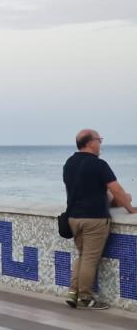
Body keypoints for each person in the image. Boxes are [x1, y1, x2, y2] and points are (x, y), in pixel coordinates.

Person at [63, 129, 136, 310]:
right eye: (99, 140)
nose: (101, 144)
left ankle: (73, 293)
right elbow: (116, 190)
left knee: (81, 255)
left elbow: (83, 190)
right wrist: (130, 208)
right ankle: (85, 298)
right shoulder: (98, 164)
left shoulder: (69, 163)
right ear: (90, 143)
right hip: (94, 219)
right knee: (90, 259)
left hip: (73, 217)